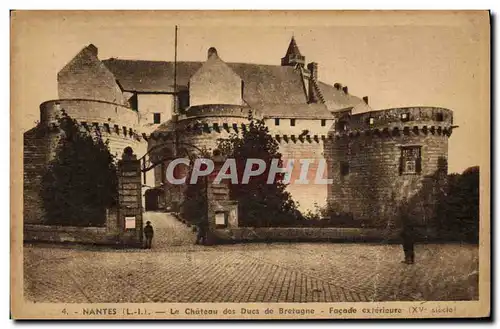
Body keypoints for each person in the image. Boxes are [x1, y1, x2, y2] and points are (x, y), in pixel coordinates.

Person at [399, 199, 415, 264]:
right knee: (409, 245)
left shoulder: (405, 213)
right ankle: (410, 259)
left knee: (407, 245)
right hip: (409, 231)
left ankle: (409, 259)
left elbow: (405, 222)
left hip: (407, 231)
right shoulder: (409, 212)